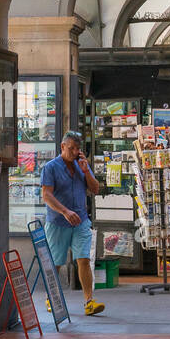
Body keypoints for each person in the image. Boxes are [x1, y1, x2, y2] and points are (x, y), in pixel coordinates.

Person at [40, 131, 104, 316]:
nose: (75, 152)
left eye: (78, 148)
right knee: (56, 262)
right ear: (62, 147)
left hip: (81, 220)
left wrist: (86, 170)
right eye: (71, 148)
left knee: (83, 259)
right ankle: (51, 297)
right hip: (58, 222)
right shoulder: (51, 167)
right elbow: (47, 195)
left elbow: (95, 189)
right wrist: (65, 211)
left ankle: (89, 302)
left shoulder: (81, 165)